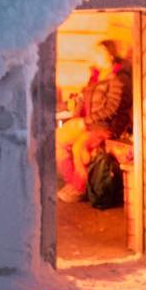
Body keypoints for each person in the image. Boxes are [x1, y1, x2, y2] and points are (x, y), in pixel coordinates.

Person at [56, 39, 131, 201]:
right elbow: (83, 100)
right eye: (95, 53)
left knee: (79, 147)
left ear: (110, 55)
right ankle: (73, 181)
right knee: (57, 141)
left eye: (99, 53)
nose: (95, 56)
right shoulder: (95, 77)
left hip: (105, 126)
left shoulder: (118, 79)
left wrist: (85, 121)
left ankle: (79, 188)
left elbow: (112, 109)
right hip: (90, 122)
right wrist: (76, 116)